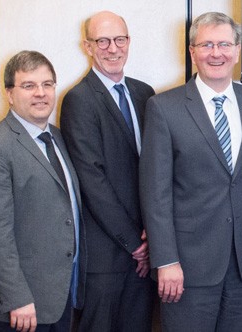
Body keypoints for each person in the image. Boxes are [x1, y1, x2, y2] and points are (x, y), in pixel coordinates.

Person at [139, 11, 242, 332]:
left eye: (225, 44)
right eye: (207, 45)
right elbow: (155, 193)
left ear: (238, 51)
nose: (217, 53)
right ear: (192, 52)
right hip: (187, 266)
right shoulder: (164, 108)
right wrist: (166, 260)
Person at [0, 50, 85, 331]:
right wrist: (16, 298)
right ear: (10, 94)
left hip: (58, 297)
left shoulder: (58, 137)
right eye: (29, 85)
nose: (41, 93)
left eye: (47, 84)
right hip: (18, 308)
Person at [59, 11, 156, 331]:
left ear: (129, 42)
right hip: (106, 258)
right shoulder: (79, 99)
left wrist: (151, 239)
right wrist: (135, 244)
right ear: (87, 46)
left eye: (120, 39)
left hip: (146, 253)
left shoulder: (145, 94)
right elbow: (92, 180)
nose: (113, 48)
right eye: (102, 41)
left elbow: (156, 171)